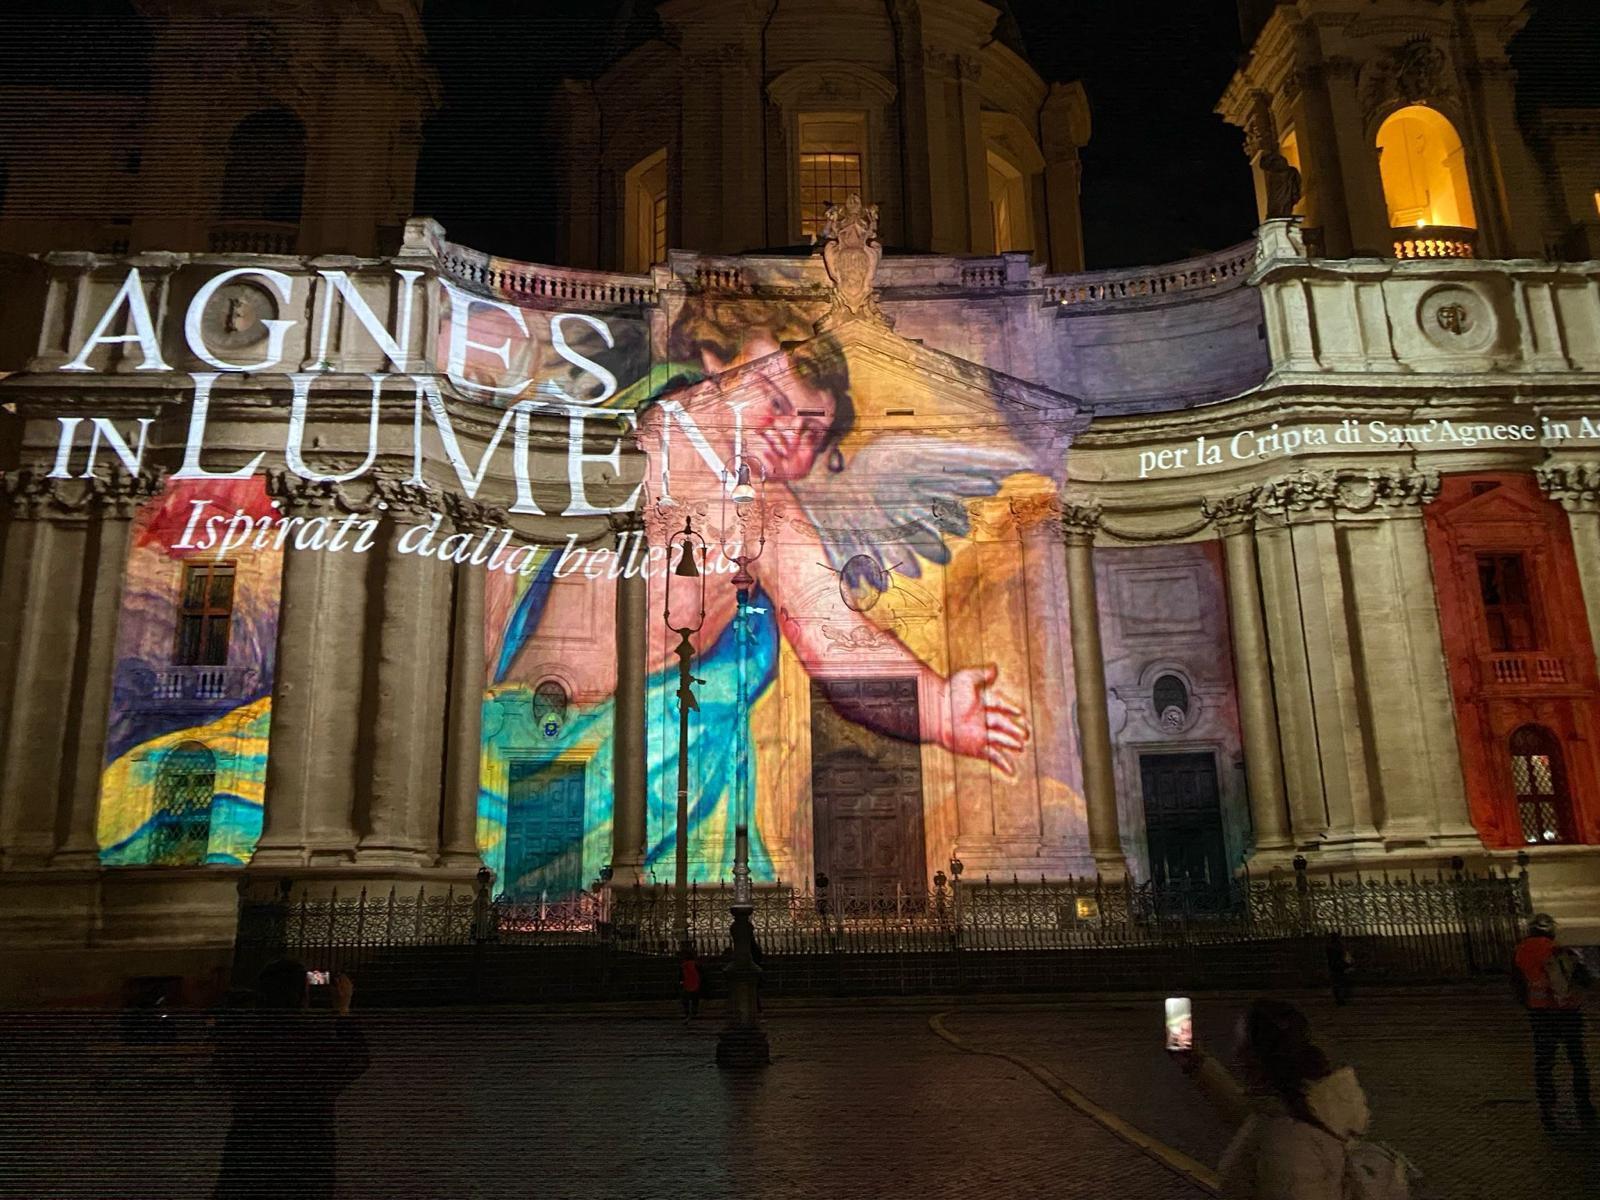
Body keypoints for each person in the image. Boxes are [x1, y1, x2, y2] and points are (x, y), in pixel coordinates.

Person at [1176, 999, 1373, 1199]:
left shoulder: (1288, 1141)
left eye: (1241, 1042)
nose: (1235, 1051)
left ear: (1257, 1054)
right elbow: (1250, 1117)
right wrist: (1196, 1064)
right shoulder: (1304, 1108)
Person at [210, 961, 370, 1200]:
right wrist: (343, 1011)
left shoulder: (241, 1043)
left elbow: (222, 1067)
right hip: (306, 1150)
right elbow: (357, 1058)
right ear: (302, 997)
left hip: (250, 1148)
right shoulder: (316, 1045)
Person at [1512, 912, 1595, 1132]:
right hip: (1567, 1012)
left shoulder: (1520, 952)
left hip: (1540, 1014)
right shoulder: (1559, 950)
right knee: (1577, 1060)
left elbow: (1517, 985)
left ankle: (1548, 1108)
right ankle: (1584, 1106)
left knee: (1544, 1063)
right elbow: (1584, 979)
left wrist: (1530, 1004)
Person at [1326, 930, 1354, 1006]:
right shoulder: (1340, 946)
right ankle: (1341, 999)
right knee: (1342, 983)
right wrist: (1347, 964)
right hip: (1341, 967)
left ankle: (1339, 999)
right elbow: (1344, 956)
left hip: (1334, 967)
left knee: (1336, 984)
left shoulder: (1329, 946)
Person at [679, 946, 703, 1022]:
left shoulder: (683, 965)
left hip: (687, 984)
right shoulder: (695, 964)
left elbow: (681, 976)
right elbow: (700, 973)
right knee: (695, 999)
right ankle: (694, 1011)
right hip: (695, 983)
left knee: (686, 999)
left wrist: (681, 982)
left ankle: (687, 1012)